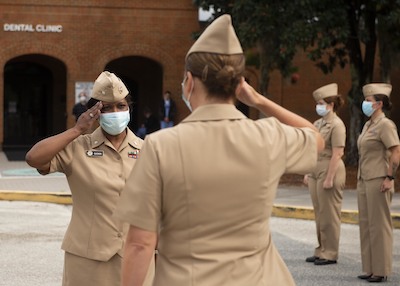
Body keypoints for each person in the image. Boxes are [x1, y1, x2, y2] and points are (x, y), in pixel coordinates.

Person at [115, 14, 324, 286]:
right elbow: (316, 139)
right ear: (239, 85)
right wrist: (258, 100)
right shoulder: (269, 136)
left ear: (189, 82)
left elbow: (140, 244)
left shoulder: (161, 145)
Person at [25, 71, 154, 286]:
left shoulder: (148, 149)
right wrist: (77, 129)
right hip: (87, 258)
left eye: (121, 106)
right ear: (95, 112)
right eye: (107, 108)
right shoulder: (78, 147)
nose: (115, 112)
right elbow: (34, 158)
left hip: (137, 254)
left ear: (129, 108)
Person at [356, 83, 400, 283]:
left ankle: (381, 270)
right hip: (363, 179)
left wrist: (390, 177)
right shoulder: (368, 124)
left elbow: (396, 151)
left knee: (379, 225)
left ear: (379, 104)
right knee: (366, 224)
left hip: (378, 179)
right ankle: (369, 267)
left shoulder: (385, 124)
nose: (365, 103)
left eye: (368, 100)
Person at [303, 83, 346, 266]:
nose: (318, 106)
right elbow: (311, 149)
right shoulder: (317, 124)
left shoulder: (337, 125)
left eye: (321, 103)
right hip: (315, 170)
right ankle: (321, 249)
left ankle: (330, 252)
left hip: (331, 168)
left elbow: (338, 153)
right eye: (317, 103)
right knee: (320, 213)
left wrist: (329, 177)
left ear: (331, 104)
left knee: (329, 214)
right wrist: (307, 171)